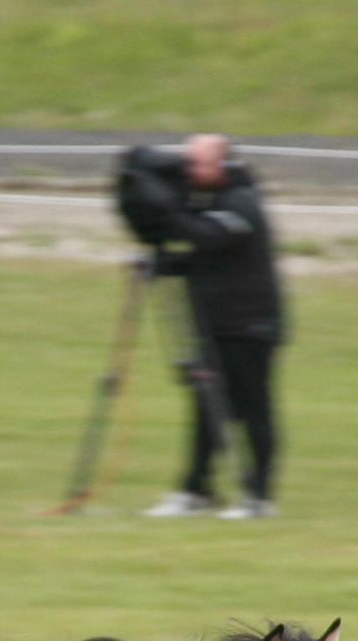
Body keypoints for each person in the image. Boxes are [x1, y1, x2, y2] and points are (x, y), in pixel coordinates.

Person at [112, 131, 286, 518]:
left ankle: (258, 497)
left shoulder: (242, 202)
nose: (189, 171)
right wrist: (158, 264)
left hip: (250, 323)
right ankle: (196, 490)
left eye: (198, 164)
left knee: (252, 409)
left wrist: (165, 214)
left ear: (221, 164)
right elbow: (203, 260)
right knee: (207, 408)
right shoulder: (210, 200)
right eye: (187, 162)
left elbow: (207, 238)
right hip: (213, 323)